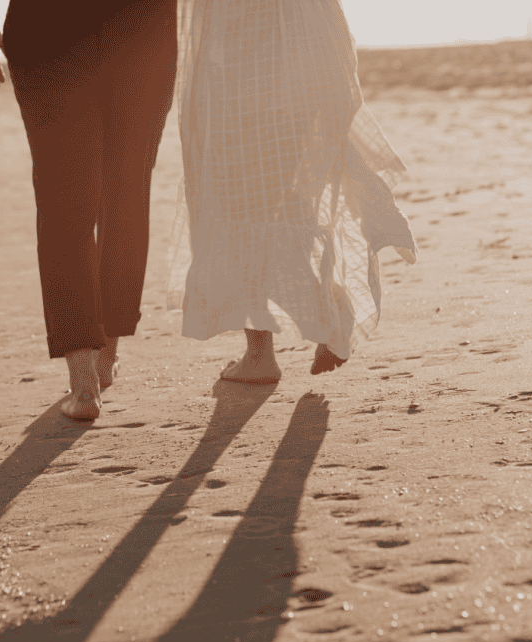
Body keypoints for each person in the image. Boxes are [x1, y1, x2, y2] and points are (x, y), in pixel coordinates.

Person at [168, 0, 418, 383]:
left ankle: (260, 354)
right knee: (295, 202)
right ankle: (331, 311)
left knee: (245, 204)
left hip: (242, 73)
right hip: (304, 67)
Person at [0, 0, 178, 419]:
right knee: (127, 189)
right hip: (142, 24)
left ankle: (84, 385)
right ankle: (105, 359)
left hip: (48, 23)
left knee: (64, 197)